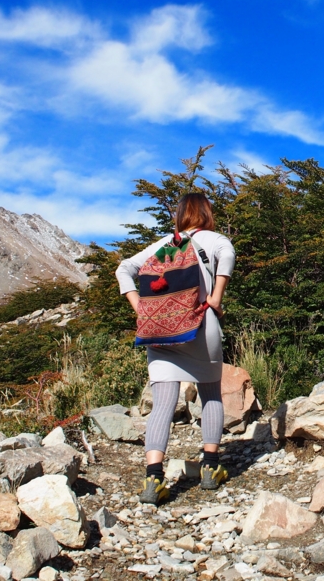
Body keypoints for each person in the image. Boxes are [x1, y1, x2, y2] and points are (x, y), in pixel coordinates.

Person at [115, 192, 236, 504]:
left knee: (162, 404)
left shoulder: (165, 244)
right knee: (210, 394)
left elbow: (123, 269)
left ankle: (154, 479)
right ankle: (210, 468)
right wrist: (216, 299)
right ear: (206, 213)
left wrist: (141, 309)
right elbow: (228, 255)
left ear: (181, 215)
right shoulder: (214, 239)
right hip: (201, 324)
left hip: (162, 330)